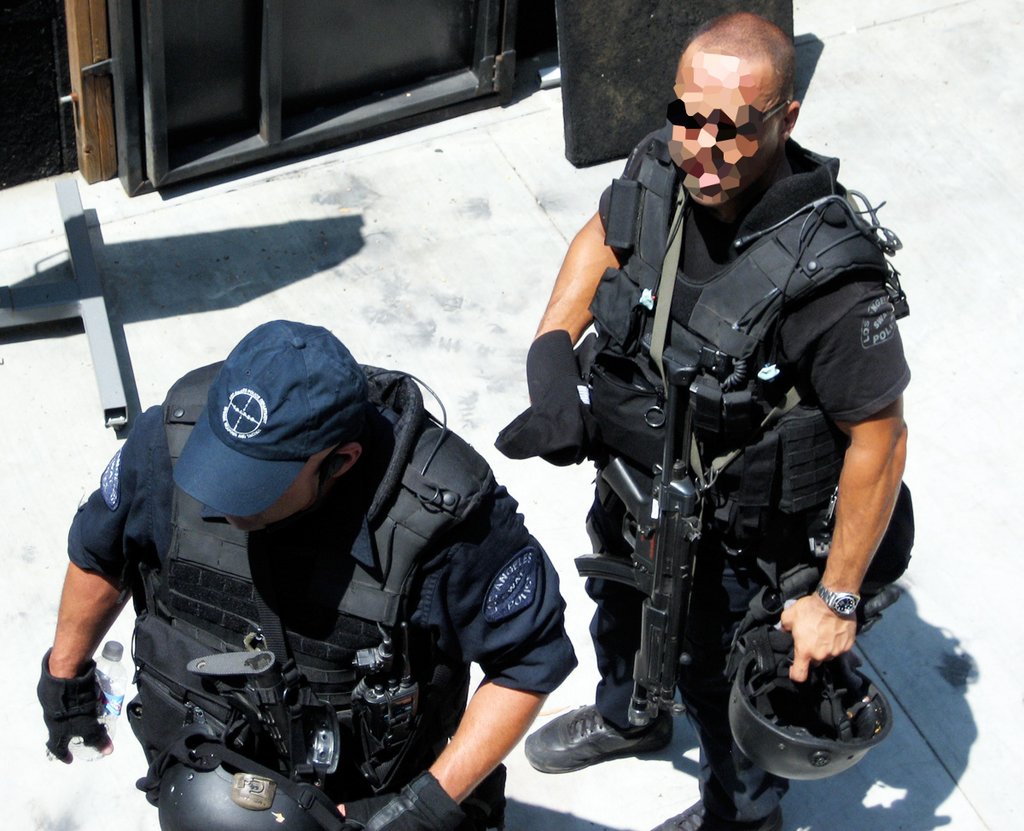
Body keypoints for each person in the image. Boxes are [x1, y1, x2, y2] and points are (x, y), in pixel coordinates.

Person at [496, 12, 911, 831]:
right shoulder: (665, 162)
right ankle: (630, 713)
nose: (702, 147)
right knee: (619, 605)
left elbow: (881, 438)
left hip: (736, 539)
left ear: (786, 118)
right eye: (687, 115)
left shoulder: (830, 278)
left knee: (724, 683)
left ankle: (741, 816)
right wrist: (551, 352)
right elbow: (605, 236)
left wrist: (836, 599)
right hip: (633, 484)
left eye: (731, 127)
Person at [37, 319, 577, 831]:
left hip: (363, 803)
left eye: (251, 487)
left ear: (341, 461)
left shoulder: (445, 521)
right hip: (203, 766)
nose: (220, 501)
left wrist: (422, 810)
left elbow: (528, 662)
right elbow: (100, 552)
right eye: (217, 465)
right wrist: (65, 679)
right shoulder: (171, 436)